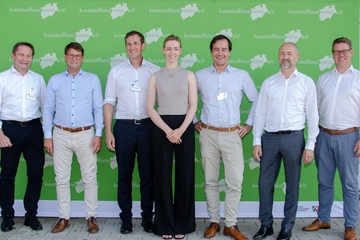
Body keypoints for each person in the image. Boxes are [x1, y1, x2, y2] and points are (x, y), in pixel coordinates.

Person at [252, 42, 319, 240]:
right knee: (265, 184)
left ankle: (287, 226)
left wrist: (310, 145)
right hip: (269, 139)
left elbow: (313, 116)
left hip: (294, 139)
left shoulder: (307, 83)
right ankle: (266, 225)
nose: (285, 57)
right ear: (278, 56)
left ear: (297, 57)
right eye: (282, 53)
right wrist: (256, 140)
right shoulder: (269, 83)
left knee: (292, 184)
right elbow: (260, 113)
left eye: (289, 53)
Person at [194, 34, 258, 240]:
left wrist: (248, 124)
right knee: (210, 181)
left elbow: (257, 101)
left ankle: (230, 224)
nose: (220, 53)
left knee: (235, 181)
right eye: (216, 49)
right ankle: (214, 222)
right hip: (208, 134)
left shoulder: (241, 75)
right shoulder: (200, 75)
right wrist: (195, 121)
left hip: (232, 135)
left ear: (229, 52)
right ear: (211, 51)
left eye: (224, 49)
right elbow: (187, 100)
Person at [42, 42, 104, 234]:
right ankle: (64, 218)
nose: (74, 58)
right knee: (61, 178)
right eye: (70, 55)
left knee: (90, 178)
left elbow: (98, 108)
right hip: (59, 134)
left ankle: (91, 217)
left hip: (86, 134)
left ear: (82, 58)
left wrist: (98, 134)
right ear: (65, 57)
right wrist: (47, 136)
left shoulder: (93, 80)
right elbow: (48, 110)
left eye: (77, 55)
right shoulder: (54, 80)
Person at [103, 30, 160, 234]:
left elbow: (163, 103)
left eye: (136, 43)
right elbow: (109, 102)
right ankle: (125, 219)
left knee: (148, 176)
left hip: (148, 128)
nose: (132, 47)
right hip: (124, 128)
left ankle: (147, 218)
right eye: (128, 44)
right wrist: (109, 132)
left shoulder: (155, 71)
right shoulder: (116, 72)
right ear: (125, 46)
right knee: (124, 176)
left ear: (143, 45)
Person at [302, 37, 359, 240]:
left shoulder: (359, 78)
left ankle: (350, 225)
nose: (340, 55)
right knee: (324, 181)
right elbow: (314, 110)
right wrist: (313, 136)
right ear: (332, 54)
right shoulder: (323, 79)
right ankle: (323, 218)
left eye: (344, 51)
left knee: (350, 185)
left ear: (351, 52)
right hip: (324, 136)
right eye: (336, 51)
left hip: (350, 138)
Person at [146, 34, 197, 240]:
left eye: (176, 48)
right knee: (163, 177)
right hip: (161, 127)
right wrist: (168, 131)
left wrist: (181, 130)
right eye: (168, 48)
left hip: (184, 126)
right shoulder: (154, 76)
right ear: (162, 50)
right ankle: (165, 224)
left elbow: (193, 105)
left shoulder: (189, 75)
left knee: (185, 176)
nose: (172, 52)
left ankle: (183, 224)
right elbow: (150, 108)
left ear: (181, 50)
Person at [0, 42, 46, 232]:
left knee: (36, 174)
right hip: (9, 131)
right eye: (21, 55)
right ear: (13, 56)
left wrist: (47, 134)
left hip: (34, 130)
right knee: (7, 176)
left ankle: (31, 216)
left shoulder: (38, 79)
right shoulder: (2, 79)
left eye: (29, 56)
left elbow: (46, 108)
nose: (25, 59)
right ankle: (7, 217)